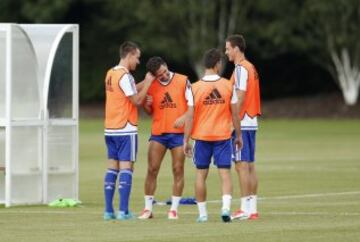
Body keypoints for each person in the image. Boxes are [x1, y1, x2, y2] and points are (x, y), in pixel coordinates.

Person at [183, 48, 242, 223]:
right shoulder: (227, 85)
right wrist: (238, 135)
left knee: (201, 175)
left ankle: (202, 214)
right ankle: (225, 209)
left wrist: (185, 140)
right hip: (223, 136)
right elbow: (235, 114)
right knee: (225, 174)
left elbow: (190, 116)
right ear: (218, 64)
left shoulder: (193, 88)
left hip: (201, 137)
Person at [103, 41, 154, 220]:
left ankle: (108, 211)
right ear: (130, 55)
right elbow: (136, 101)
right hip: (125, 127)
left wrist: (144, 83)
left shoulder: (111, 73)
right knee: (127, 168)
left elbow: (128, 91)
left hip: (110, 128)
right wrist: (148, 83)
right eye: (137, 58)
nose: (138, 62)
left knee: (112, 168)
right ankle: (123, 211)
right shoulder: (125, 76)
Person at [138, 56, 193, 220]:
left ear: (166, 66)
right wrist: (146, 104)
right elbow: (150, 111)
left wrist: (183, 118)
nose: (164, 75)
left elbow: (192, 107)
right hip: (158, 133)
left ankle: (174, 210)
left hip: (178, 135)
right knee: (152, 169)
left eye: (164, 71)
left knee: (178, 170)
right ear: (154, 75)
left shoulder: (183, 80)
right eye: (160, 74)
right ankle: (148, 209)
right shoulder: (151, 85)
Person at [225, 34, 261, 220]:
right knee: (250, 166)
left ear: (236, 48)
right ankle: (252, 209)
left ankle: (244, 209)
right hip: (252, 121)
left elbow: (239, 97)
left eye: (228, 48)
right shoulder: (251, 67)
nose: (226, 52)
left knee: (241, 166)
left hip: (243, 122)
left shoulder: (240, 68)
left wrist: (232, 123)